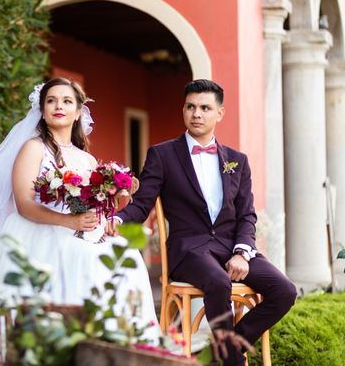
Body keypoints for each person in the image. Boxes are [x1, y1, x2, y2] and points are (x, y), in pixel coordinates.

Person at [112, 79, 297, 365]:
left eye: (205, 108)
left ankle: (222, 354)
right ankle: (232, 361)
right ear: (183, 110)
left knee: (284, 290)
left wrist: (241, 252)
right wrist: (116, 220)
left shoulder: (238, 160)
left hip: (231, 247)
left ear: (219, 113)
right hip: (188, 250)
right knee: (218, 282)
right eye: (190, 107)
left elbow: (247, 214)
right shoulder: (162, 154)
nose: (196, 114)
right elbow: (142, 204)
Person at [0, 77, 158, 340]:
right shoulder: (33, 148)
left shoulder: (87, 159)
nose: (59, 106)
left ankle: (120, 341)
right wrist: (68, 222)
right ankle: (72, 339)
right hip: (39, 230)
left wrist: (103, 223)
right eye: (51, 101)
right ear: (43, 111)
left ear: (78, 112)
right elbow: (24, 205)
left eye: (67, 101)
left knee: (128, 258)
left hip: (80, 231)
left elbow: (93, 205)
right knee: (83, 259)